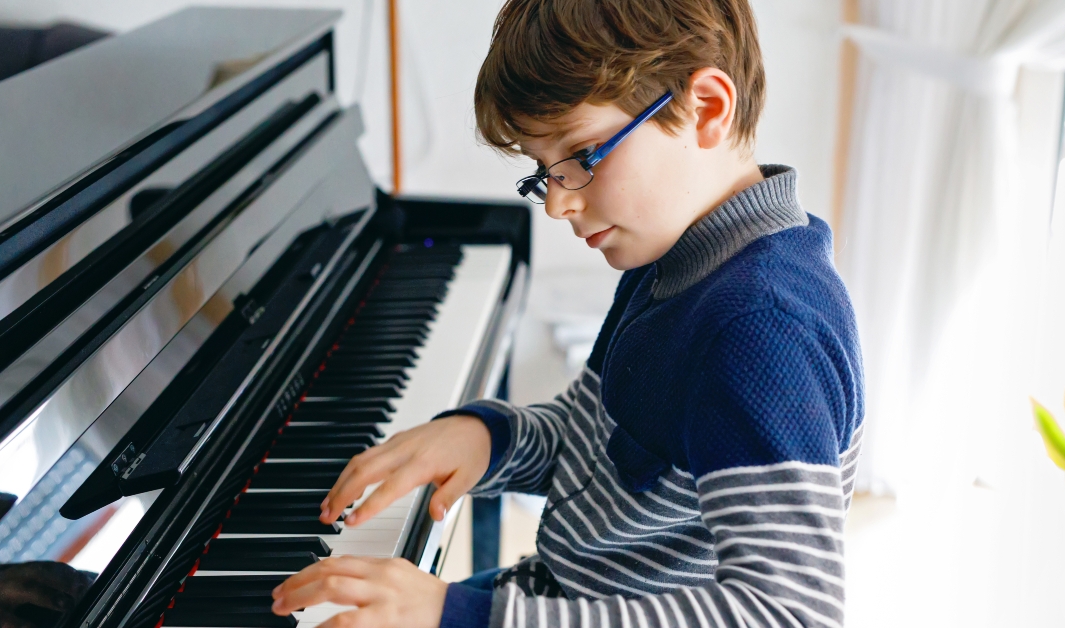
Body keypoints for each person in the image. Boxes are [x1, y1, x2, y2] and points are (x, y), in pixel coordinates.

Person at [271, 0, 864, 626]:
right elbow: (609, 455)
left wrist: (462, 615)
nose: (556, 205)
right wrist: (490, 438)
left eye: (583, 155)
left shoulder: (761, 329)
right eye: (541, 170)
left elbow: (790, 611)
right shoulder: (674, 260)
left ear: (708, 110)